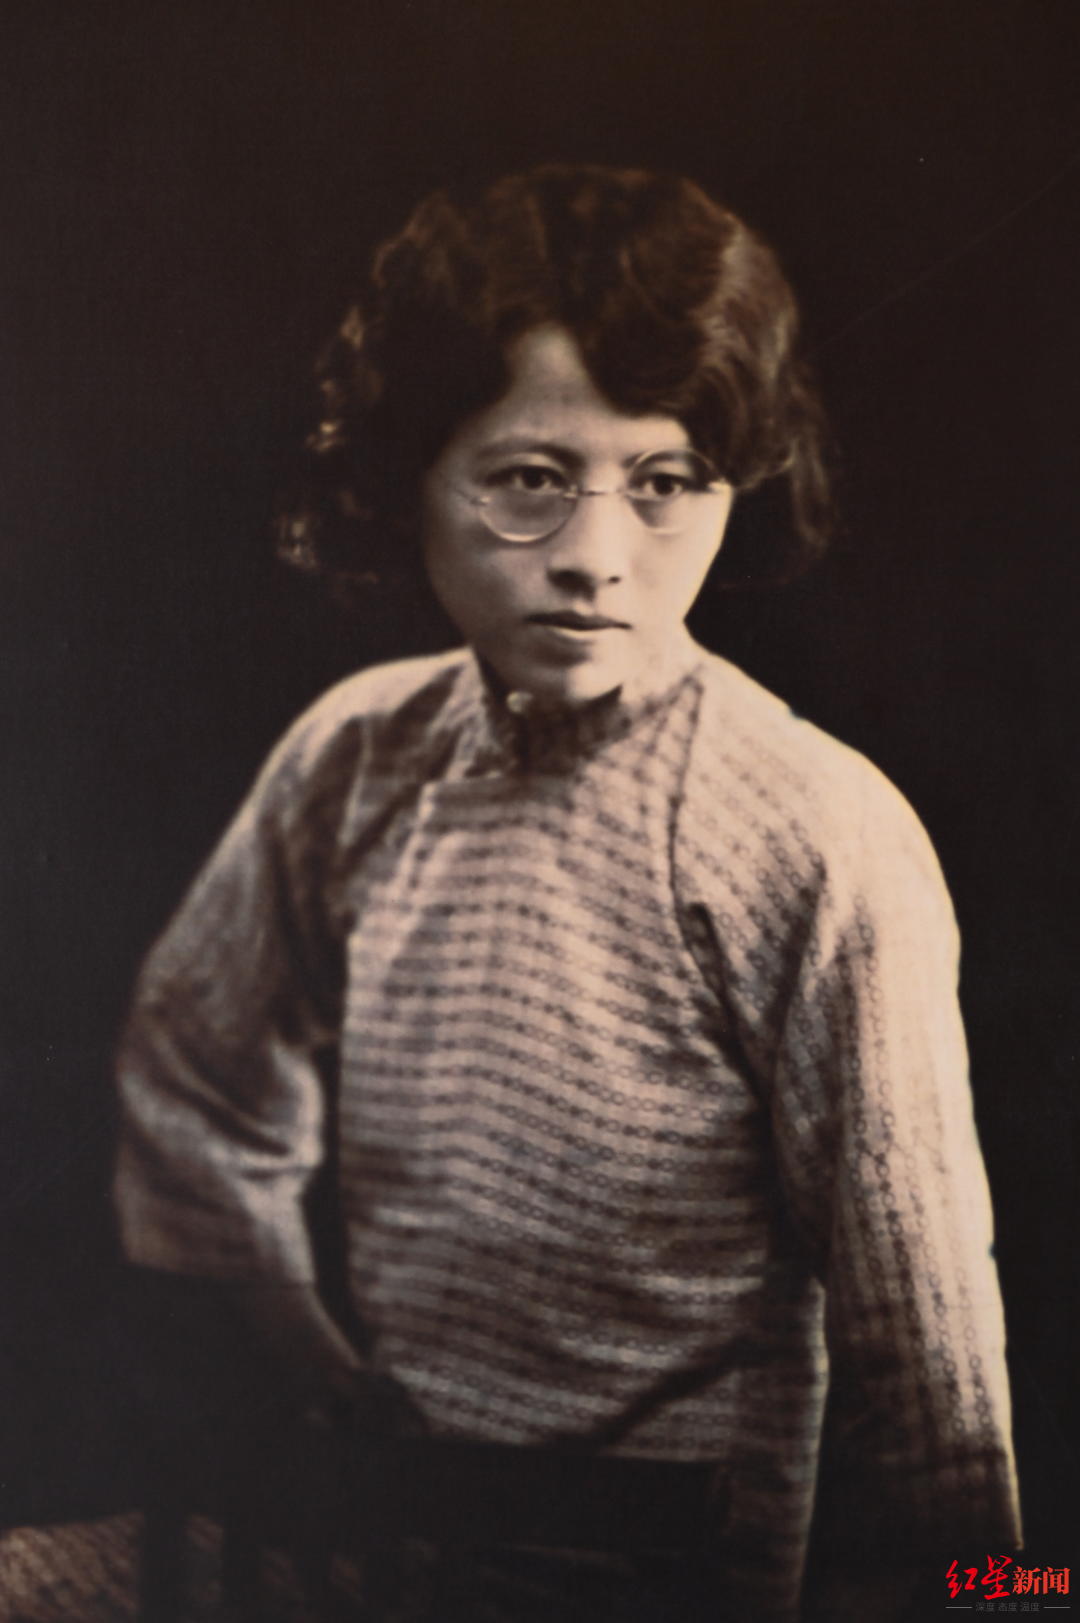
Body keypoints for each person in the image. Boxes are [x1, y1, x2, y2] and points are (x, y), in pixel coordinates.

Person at [114, 165, 1021, 1621]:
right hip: (372, 1563)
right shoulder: (359, 752)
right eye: (531, 480)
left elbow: (932, 1379)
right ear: (406, 474)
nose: (599, 561)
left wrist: (1006, 1597)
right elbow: (194, 1083)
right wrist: (324, 1384)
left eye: (666, 483)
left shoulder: (813, 831)